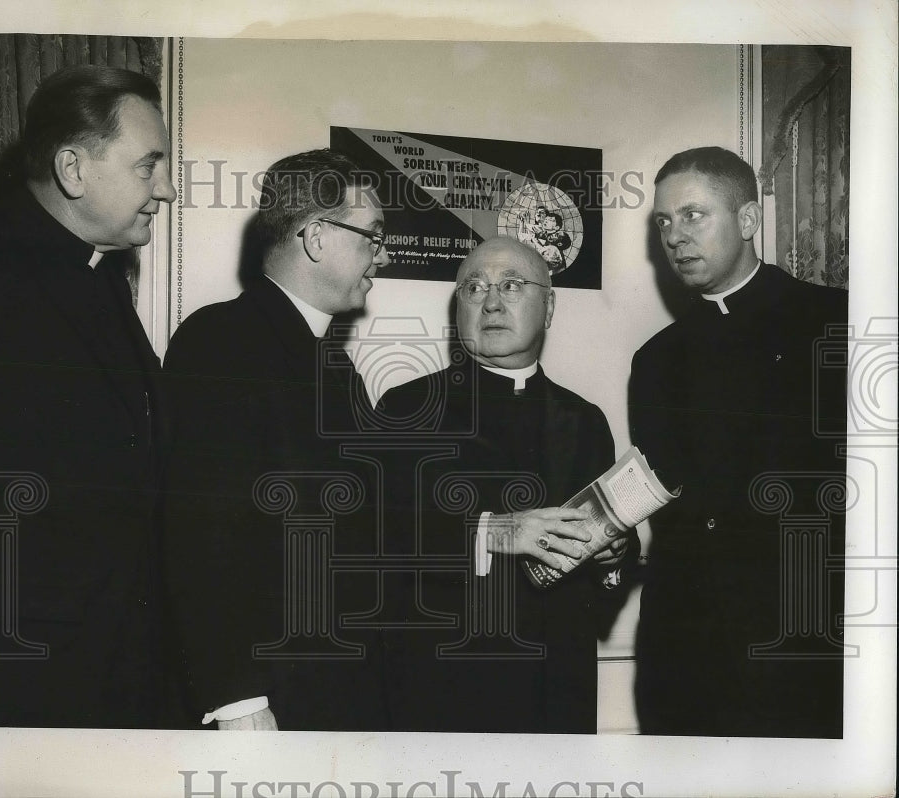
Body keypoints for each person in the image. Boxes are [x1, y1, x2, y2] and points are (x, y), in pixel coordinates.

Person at [0, 65, 177, 727]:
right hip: (13, 684)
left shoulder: (99, 278)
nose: (170, 188)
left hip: (117, 675)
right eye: (149, 166)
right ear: (73, 169)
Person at [162, 149, 391, 731]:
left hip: (338, 688)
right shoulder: (220, 341)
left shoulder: (337, 370)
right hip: (269, 700)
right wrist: (238, 699)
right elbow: (202, 531)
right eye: (372, 237)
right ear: (316, 236)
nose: (381, 257)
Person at [630, 146, 847, 737]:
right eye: (664, 222)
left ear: (749, 221)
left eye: (694, 215)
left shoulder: (838, 325)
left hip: (803, 651)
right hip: (683, 662)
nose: (675, 236)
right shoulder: (653, 363)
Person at [377, 236, 634, 733]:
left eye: (511, 285)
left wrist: (614, 552)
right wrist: (495, 531)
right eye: (473, 288)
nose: (490, 301)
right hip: (443, 692)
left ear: (550, 305)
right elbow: (381, 540)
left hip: (559, 692)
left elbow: (601, 571)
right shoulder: (406, 407)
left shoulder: (584, 419)